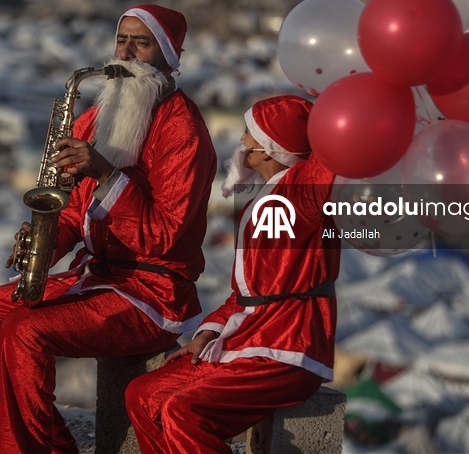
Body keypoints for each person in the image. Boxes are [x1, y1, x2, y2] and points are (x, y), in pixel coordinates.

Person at [0, 4, 217, 454]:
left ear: (168, 56)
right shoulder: (99, 113)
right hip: (94, 278)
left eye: (141, 43)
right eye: (121, 40)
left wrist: (108, 175)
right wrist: (47, 246)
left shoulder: (183, 131)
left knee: (24, 331)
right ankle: (44, 442)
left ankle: (24, 446)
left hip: (152, 293)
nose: (125, 53)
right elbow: (73, 210)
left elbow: (165, 236)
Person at [124, 95, 340, 454]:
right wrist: (207, 332)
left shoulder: (301, 190)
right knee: (143, 394)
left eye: (248, 135)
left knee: (184, 412)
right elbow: (245, 295)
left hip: (287, 347)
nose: (241, 143)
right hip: (249, 337)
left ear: (270, 150)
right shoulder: (260, 199)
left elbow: (333, 158)